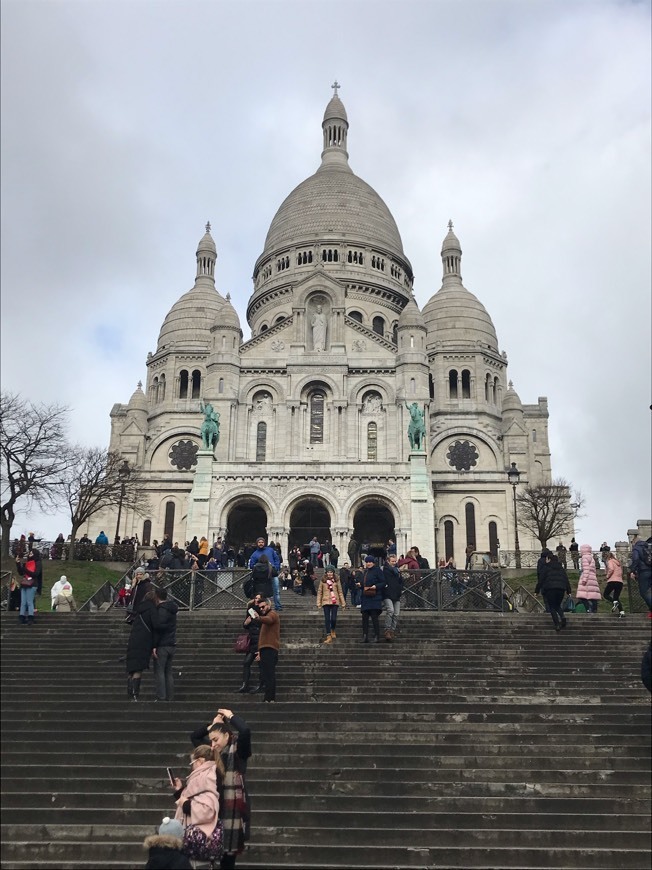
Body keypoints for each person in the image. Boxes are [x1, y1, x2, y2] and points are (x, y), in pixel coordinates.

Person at [170, 745, 222, 864]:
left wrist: (186, 803)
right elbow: (197, 798)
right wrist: (180, 791)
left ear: (200, 761)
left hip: (198, 837)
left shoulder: (207, 777)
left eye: (192, 762)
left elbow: (206, 809)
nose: (192, 766)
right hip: (195, 834)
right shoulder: (204, 776)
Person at [125, 588, 157, 700]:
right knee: (138, 669)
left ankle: (130, 693)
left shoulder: (139, 610)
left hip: (133, 640)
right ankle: (135, 693)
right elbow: (155, 625)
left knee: (131, 669)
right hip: (144, 642)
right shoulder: (152, 610)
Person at [152, 586, 179, 702]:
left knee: (160, 671)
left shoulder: (162, 610)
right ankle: (170, 696)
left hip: (162, 644)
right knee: (168, 671)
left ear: (157, 597)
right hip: (171, 642)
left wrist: (154, 645)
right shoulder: (171, 609)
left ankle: (161, 696)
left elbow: (159, 628)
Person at [535, 552, 572, 631]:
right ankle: (562, 616)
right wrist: (569, 591)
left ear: (549, 559)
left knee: (552, 606)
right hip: (561, 589)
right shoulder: (561, 568)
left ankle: (557, 624)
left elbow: (541, 580)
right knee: (557, 605)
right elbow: (566, 579)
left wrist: (537, 591)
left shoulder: (546, 567)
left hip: (550, 589)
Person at [253, 599, 280, 703]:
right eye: (260, 608)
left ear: (268, 605)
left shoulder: (272, 614)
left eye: (263, 607)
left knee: (269, 674)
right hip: (265, 649)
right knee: (266, 674)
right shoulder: (266, 617)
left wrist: (258, 617)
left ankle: (270, 698)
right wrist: (260, 651)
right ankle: (268, 697)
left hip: (270, 648)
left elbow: (269, 619)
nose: (261, 609)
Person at [237, 594, 264, 694]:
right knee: (246, 662)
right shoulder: (250, 609)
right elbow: (247, 624)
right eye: (255, 598)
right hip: (252, 639)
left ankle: (261, 685)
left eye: (258, 598)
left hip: (259, 639)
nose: (256, 600)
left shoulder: (263, 609)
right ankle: (245, 684)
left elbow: (261, 623)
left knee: (260, 664)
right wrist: (246, 623)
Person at [360, 556, 386, 643]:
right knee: (365, 617)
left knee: (374, 617)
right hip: (366, 597)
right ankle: (365, 636)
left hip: (375, 597)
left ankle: (377, 636)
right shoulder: (365, 572)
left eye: (370, 562)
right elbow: (363, 583)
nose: (368, 563)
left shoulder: (378, 571)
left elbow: (383, 582)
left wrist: (376, 586)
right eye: (367, 562)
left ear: (373, 563)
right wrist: (360, 584)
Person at [317, 567, 345, 644]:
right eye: (328, 572)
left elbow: (340, 592)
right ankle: (328, 635)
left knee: (333, 618)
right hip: (325, 601)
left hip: (334, 601)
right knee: (327, 618)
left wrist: (343, 603)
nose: (329, 574)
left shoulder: (337, 580)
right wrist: (318, 603)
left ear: (333, 573)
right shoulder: (323, 581)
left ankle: (333, 629)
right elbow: (320, 592)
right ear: (326, 573)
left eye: (331, 572)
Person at [382, 553, 403, 642]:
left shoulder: (397, 571)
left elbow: (401, 581)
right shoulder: (385, 570)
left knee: (396, 613)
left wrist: (400, 588)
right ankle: (387, 630)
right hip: (388, 594)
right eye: (392, 561)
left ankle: (392, 630)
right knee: (390, 610)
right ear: (388, 561)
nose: (394, 563)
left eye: (395, 561)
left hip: (396, 594)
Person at [576, 544, 601, 613]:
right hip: (593, 578)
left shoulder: (584, 558)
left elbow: (586, 569)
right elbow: (594, 569)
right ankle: (594, 609)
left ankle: (587, 609)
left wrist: (584, 579)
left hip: (587, 577)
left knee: (582, 596)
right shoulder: (591, 558)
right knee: (593, 595)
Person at [629, 535, 652, 613]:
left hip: (643, 572)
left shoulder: (637, 548)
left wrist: (632, 571)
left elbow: (636, 559)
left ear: (635, 542)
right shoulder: (648, 547)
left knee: (643, 592)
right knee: (649, 590)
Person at [15, 550, 39, 624]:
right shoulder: (27, 563)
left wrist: (25, 569)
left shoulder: (37, 563)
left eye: (31, 553)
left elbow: (35, 574)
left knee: (29, 601)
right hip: (25, 584)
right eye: (30, 553)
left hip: (32, 584)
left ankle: (30, 617)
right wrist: (18, 563)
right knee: (23, 602)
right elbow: (21, 572)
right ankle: (21, 617)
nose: (30, 554)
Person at [603, 552, 626, 618]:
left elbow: (611, 569)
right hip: (620, 582)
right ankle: (621, 611)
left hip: (613, 581)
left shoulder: (610, 561)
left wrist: (607, 576)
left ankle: (614, 602)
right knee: (616, 598)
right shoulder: (618, 563)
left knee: (606, 594)